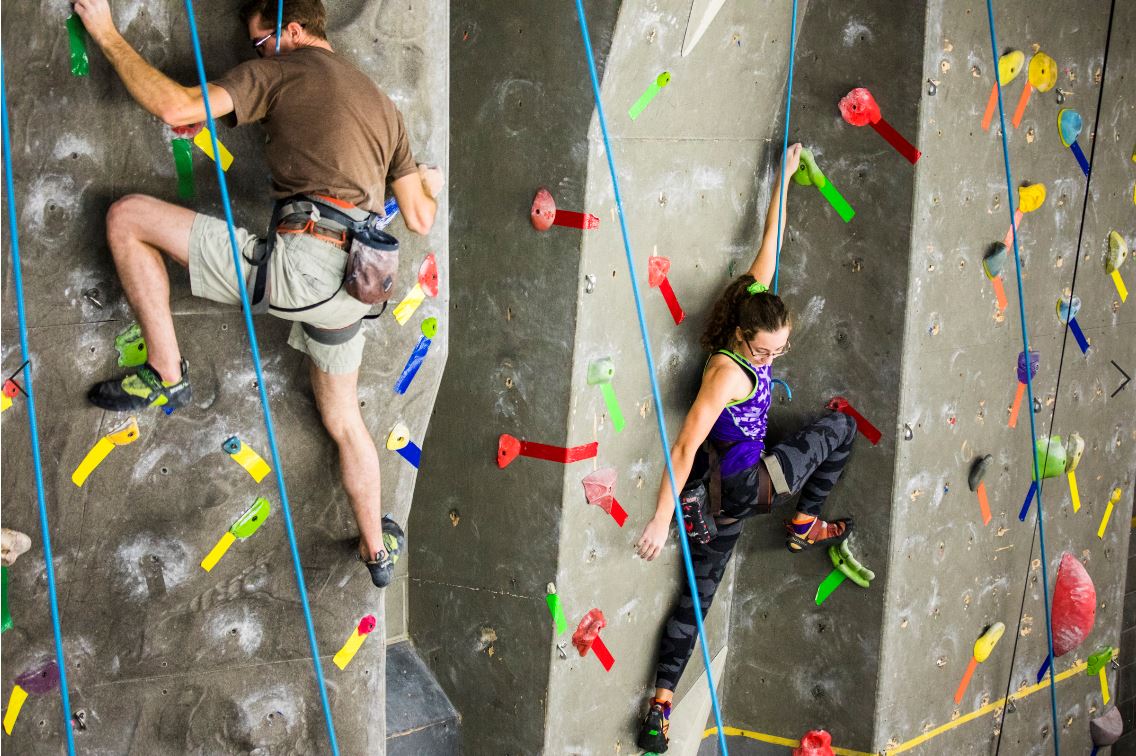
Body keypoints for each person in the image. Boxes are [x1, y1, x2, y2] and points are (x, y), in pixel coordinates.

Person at [71, 0, 444, 588]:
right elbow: (421, 215)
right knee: (345, 419)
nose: (256, 55)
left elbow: (175, 105)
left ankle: (167, 370)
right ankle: (378, 548)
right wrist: (429, 177)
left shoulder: (280, 69)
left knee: (126, 218)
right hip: (359, 286)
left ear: (292, 32)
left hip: (301, 268)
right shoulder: (380, 105)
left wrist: (105, 32)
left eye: (261, 42)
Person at [634, 144, 858, 753]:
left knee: (697, 598)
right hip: (742, 487)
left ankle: (658, 706)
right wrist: (659, 519)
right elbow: (684, 445)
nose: (770, 358)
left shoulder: (752, 301)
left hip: (722, 489)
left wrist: (781, 178)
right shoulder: (728, 374)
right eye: (764, 351)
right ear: (741, 336)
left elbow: (771, 242)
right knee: (839, 432)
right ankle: (804, 520)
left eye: (778, 349)